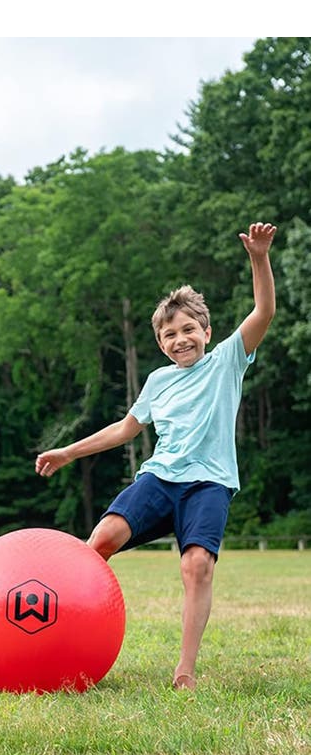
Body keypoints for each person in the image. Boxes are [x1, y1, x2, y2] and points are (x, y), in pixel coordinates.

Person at [35, 222, 277, 691]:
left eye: (189, 329)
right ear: (160, 343)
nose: (180, 339)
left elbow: (264, 311)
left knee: (196, 565)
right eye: (169, 334)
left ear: (206, 331)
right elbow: (125, 430)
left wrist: (259, 258)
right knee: (102, 537)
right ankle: (61, 628)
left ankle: (184, 669)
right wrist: (68, 451)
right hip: (161, 479)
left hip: (209, 484)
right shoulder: (158, 382)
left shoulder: (227, 360)